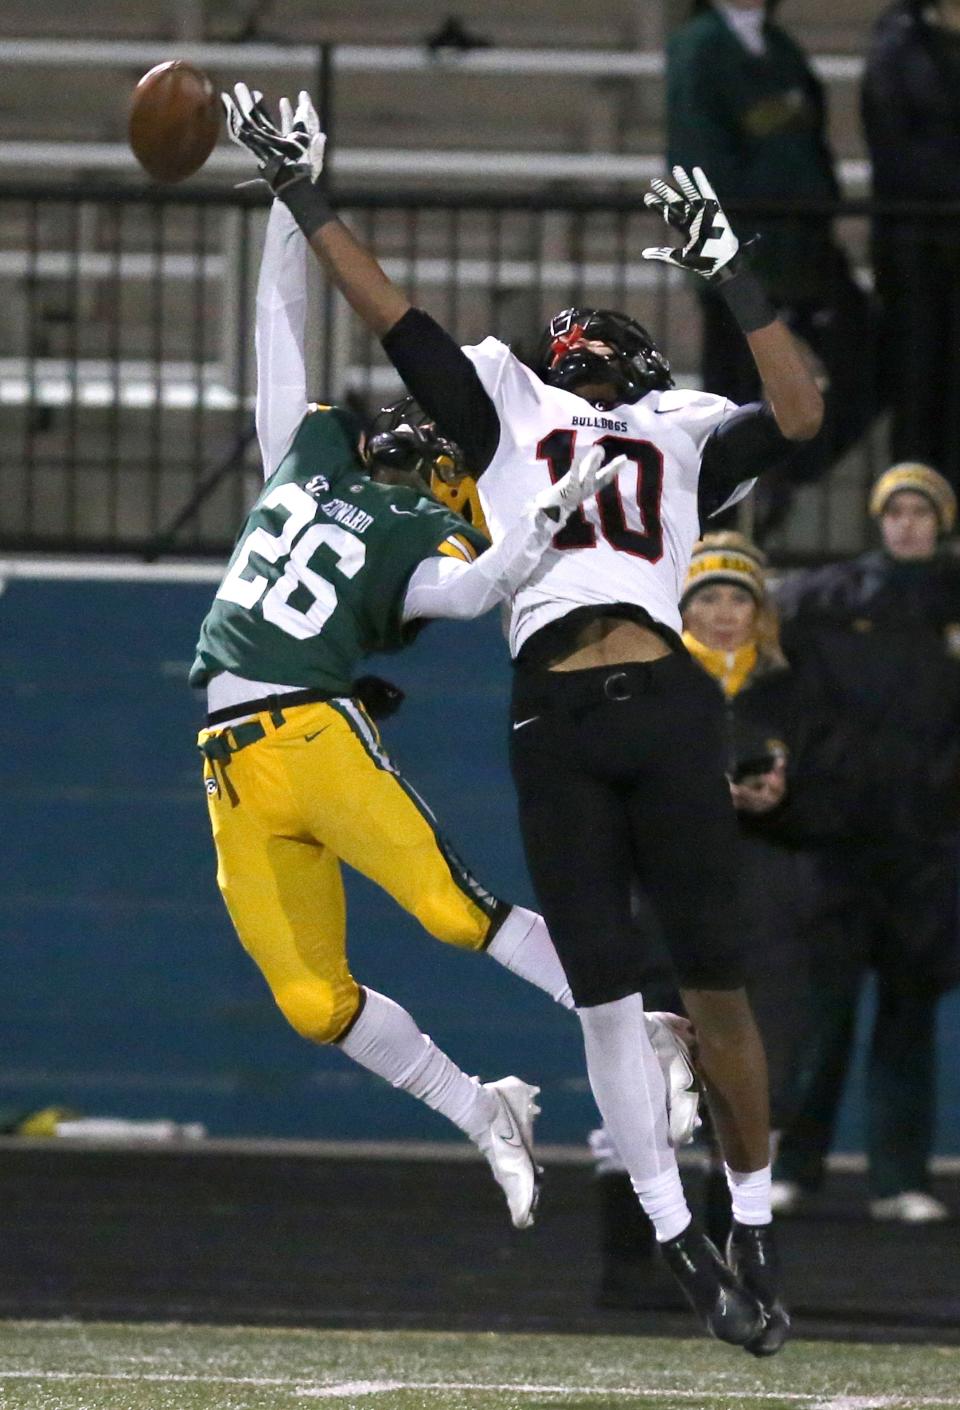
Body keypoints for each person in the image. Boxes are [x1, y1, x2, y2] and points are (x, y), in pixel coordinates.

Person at [222, 84, 824, 1353]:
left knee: (715, 982)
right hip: (552, 702)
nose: (581, 350)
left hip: (660, 694)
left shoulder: (676, 429)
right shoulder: (504, 410)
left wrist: (735, 273)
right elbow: (392, 316)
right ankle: (677, 1241)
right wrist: (302, 192)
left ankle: (756, 1221)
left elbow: (805, 413)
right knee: (606, 995)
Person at [191, 189, 630, 1233]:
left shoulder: (431, 535)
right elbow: (277, 336)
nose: (409, 432)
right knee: (314, 1005)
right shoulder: (308, 457)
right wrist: (287, 204)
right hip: (228, 759)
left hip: (308, 726)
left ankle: (634, 1015)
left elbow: (479, 593)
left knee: (450, 911)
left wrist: (538, 531)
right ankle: (484, 1112)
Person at [592, 533, 830, 1307]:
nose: (724, 614)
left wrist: (783, 799)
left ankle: (740, 1263)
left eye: (739, 598)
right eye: (708, 598)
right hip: (662, 902)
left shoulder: (797, 690)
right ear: (681, 606)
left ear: (760, 610)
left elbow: (843, 796)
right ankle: (631, 1271)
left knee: (751, 1081)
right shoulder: (647, 681)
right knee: (653, 1078)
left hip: (765, 903)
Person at [772, 463, 960, 1220]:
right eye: (896, 511)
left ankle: (901, 1180)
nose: (907, 523)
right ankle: (794, 1166)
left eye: (922, 511)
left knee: (909, 1012)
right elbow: (762, 646)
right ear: (879, 519)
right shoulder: (826, 596)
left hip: (929, 843)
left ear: (941, 523)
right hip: (841, 838)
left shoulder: (951, 599)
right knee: (825, 1011)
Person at [666, 0, 878, 527]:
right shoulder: (701, 46)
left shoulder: (778, 45)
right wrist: (729, 251)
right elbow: (698, 153)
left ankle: (776, 474)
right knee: (729, 399)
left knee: (869, 360)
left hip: (804, 248)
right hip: (745, 255)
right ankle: (716, 535)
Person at [862, 0, 960, 491]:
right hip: (916, 251)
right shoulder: (897, 44)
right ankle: (917, 520)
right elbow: (895, 150)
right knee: (919, 391)